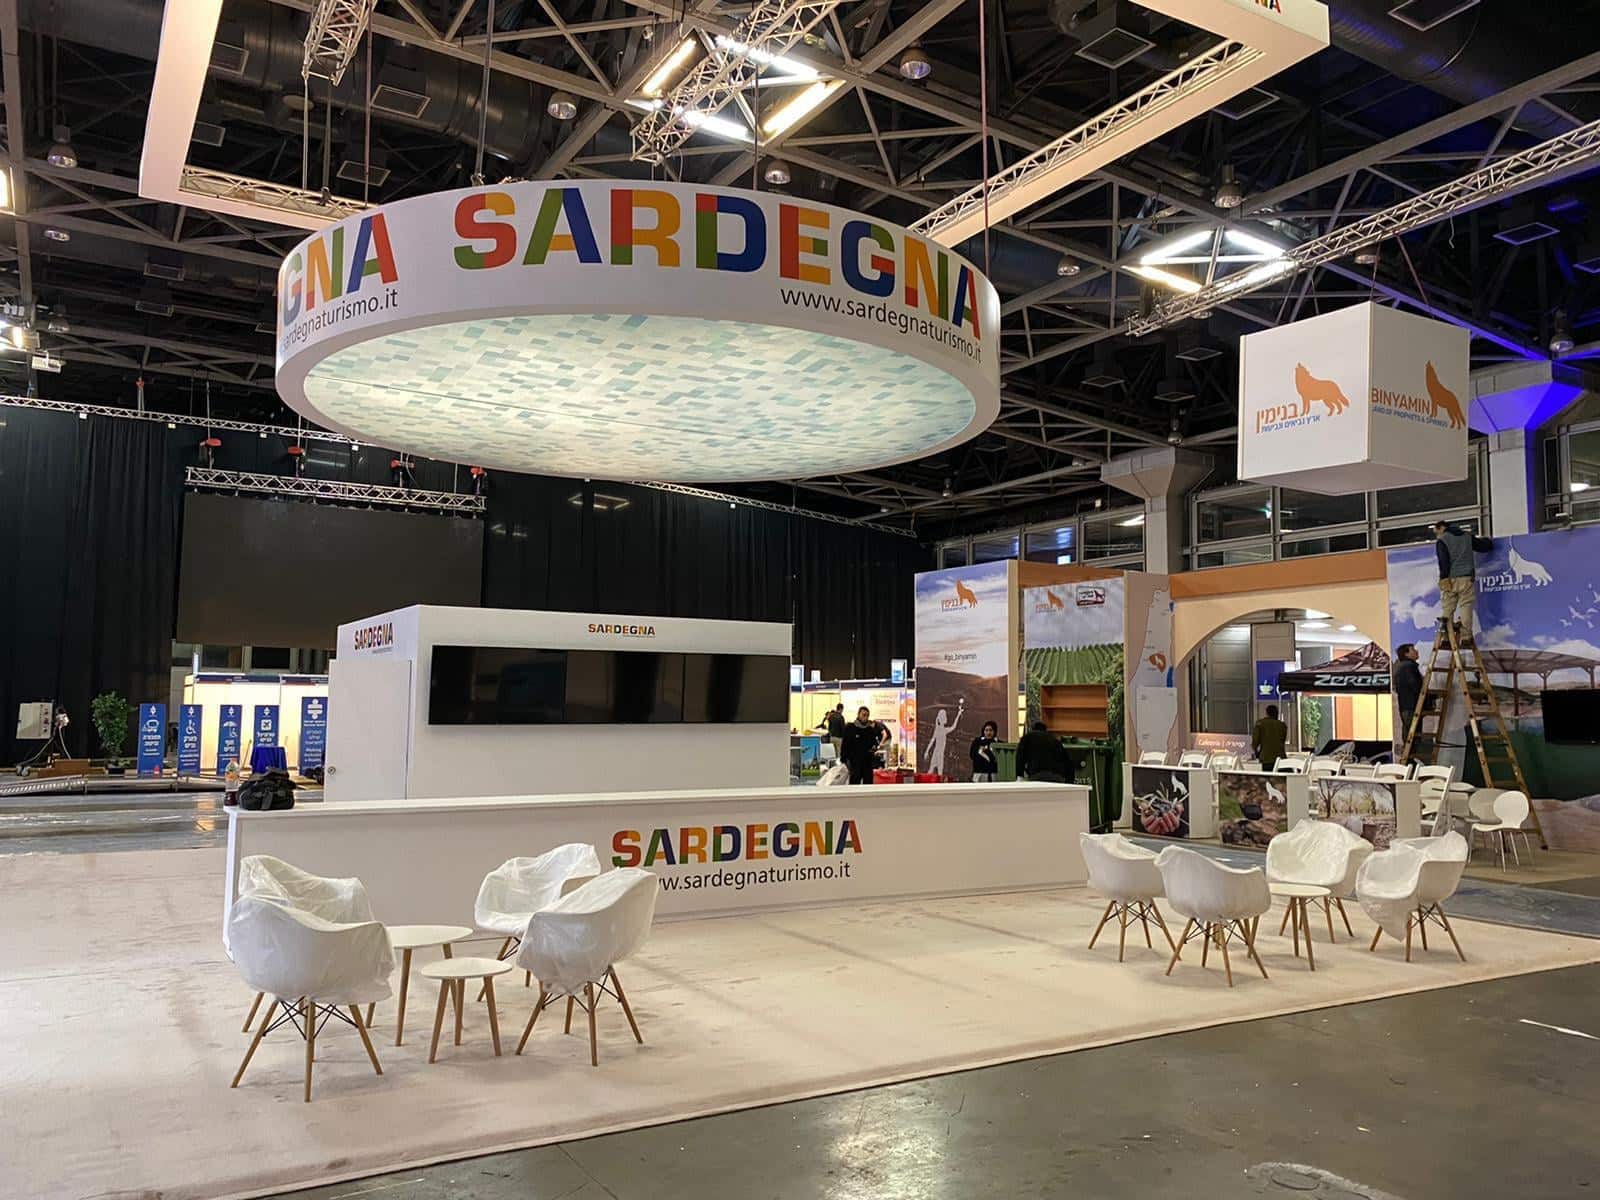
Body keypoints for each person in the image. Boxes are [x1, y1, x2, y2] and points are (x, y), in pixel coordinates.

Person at [1432, 520, 1493, 642]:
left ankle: (1446, 637)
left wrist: (1443, 578)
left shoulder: (1442, 540)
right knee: (1466, 606)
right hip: (1466, 577)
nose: (1437, 535)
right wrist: (1488, 540)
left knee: (1448, 607)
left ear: (1441, 528)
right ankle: (1466, 636)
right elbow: (1484, 547)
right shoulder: (1467, 536)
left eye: (1436, 532)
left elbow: (1443, 561)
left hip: (1450, 578)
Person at [839, 705, 890, 785]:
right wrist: (844, 759)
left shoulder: (870, 730)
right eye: (863, 715)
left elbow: (874, 743)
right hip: (854, 761)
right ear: (858, 714)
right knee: (854, 783)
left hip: (867, 762)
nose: (865, 717)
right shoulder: (850, 728)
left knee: (868, 783)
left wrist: (874, 748)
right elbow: (845, 745)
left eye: (867, 715)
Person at [1393, 642, 1423, 744]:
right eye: (1413, 650)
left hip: (1407, 706)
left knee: (1409, 736)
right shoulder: (1409, 667)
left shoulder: (1403, 667)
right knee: (1413, 737)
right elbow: (1416, 686)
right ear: (1406, 654)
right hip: (1411, 707)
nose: (1416, 651)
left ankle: (1408, 753)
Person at [1252, 703, 1289, 771]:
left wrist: (1257, 753)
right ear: (1277, 714)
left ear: (1267, 713)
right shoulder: (1282, 725)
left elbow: (1255, 742)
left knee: (1268, 777)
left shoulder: (1260, 724)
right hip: (1281, 758)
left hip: (1266, 758)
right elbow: (1282, 741)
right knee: (1281, 777)